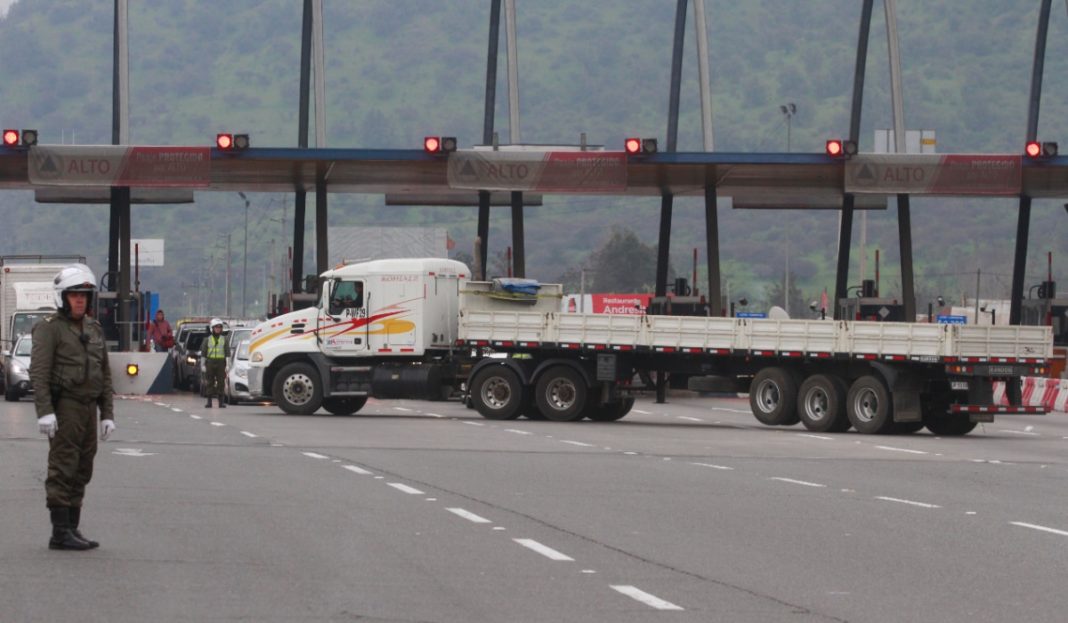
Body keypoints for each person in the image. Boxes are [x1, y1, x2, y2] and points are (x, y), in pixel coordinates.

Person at [30, 263, 116, 551]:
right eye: (74, 295)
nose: (80, 300)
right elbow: (39, 373)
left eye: (84, 295)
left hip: (88, 408)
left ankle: (73, 526)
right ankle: (59, 532)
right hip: (65, 405)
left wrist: (107, 414)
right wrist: (44, 411)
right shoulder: (49, 329)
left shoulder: (93, 329)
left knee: (83, 467)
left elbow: (104, 373)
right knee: (63, 466)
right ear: (63, 297)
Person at [201, 318, 227, 408]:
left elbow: (227, 353)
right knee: (210, 382)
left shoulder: (224, 339)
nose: (218, 329)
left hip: (221, 363)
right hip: (210, 362)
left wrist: (228, 365)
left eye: (220, 327)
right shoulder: (207, 340)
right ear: (212, 328)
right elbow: (203, 353)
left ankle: (221, 402)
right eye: (216, 327)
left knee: (221, 382)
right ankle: (209, 402)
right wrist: (203, 365)